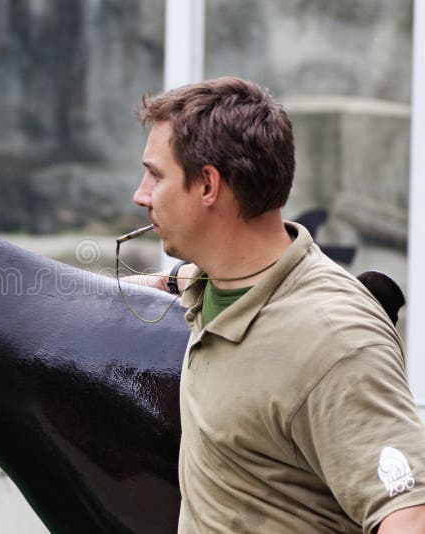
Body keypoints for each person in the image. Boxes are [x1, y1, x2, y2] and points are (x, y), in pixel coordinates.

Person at [130, 76, 425, 532]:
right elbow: (194, 281)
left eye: (156, 174)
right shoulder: (220, 282)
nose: (141, 194)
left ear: (207, 184)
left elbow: (410, 516)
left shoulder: (333, 339)